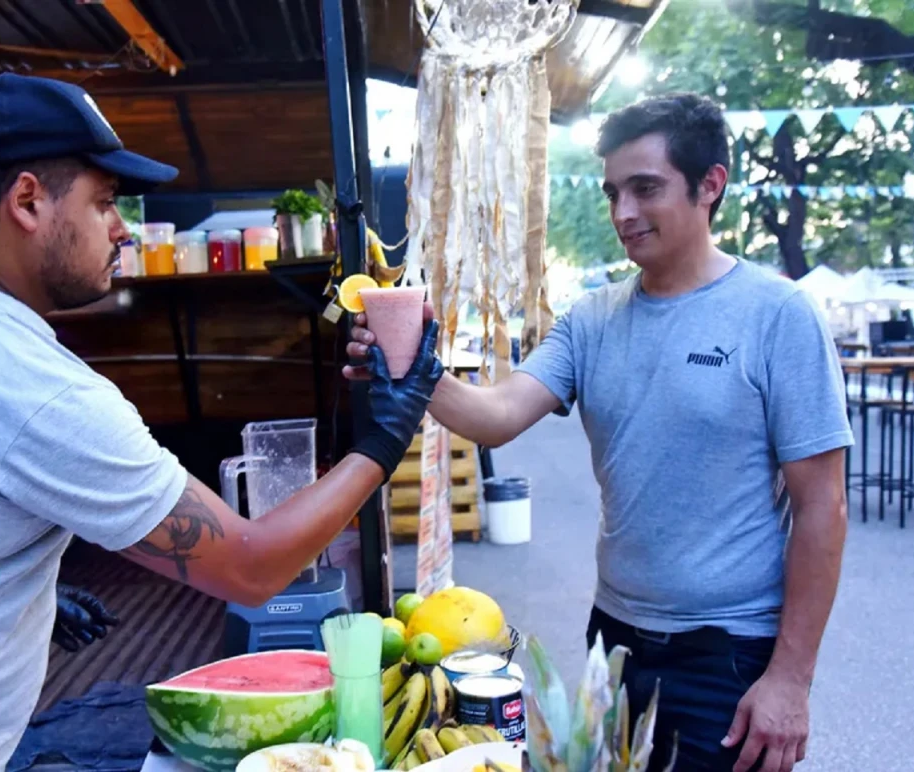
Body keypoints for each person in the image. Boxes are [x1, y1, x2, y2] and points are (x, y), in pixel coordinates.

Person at [0, 73, 444, 770]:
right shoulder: (34, 389)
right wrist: (383, 439)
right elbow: (250, 565)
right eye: (105, 202)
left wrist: (17, 586)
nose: (122, 228)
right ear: (27, 201)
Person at [347, 93, 852, 772]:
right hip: (612, 642)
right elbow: (496, 416)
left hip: (729, 655)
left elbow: (824, 508)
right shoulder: (591, 320)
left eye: (646, 189)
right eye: (613, 192)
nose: (622, 213)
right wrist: (412, 367)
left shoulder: (779, 315)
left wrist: (790, 679)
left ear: (710, 185)